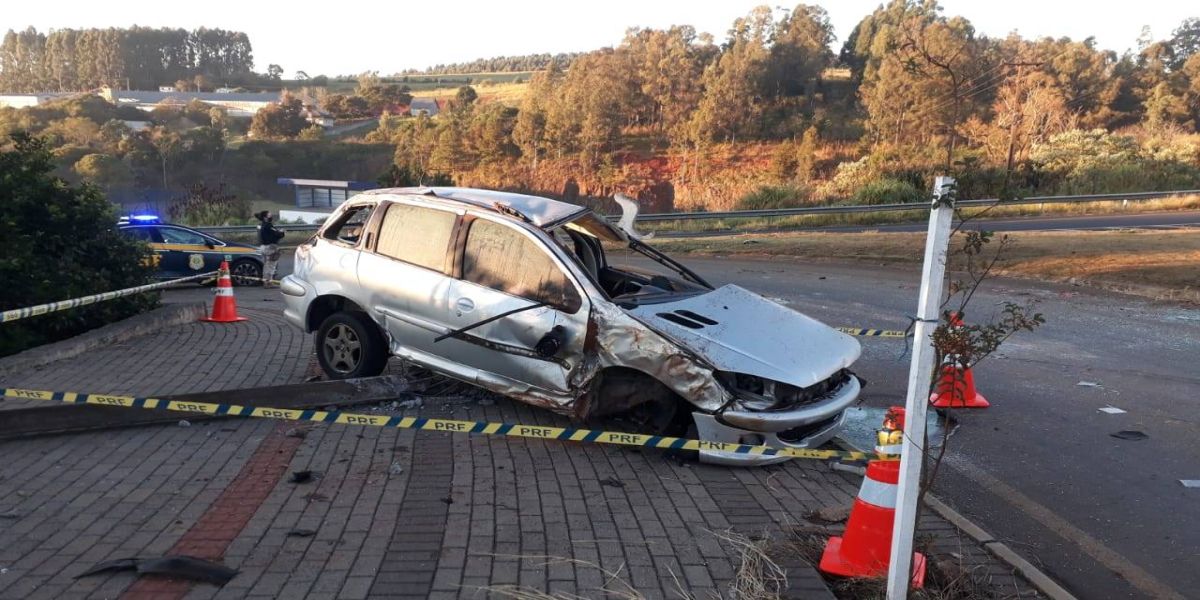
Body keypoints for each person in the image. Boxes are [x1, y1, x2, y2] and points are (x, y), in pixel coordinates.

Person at [255, 211, 285, 287]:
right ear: (265, 217)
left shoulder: (260, 225)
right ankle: (269, 282)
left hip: (262, 247)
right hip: (270, 247)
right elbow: (276, 235)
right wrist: (281, 232)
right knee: (271, 265)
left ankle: (266, 281)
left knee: (266, 265)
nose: (271, 216)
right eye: (269, 215)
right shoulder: (268, 226)